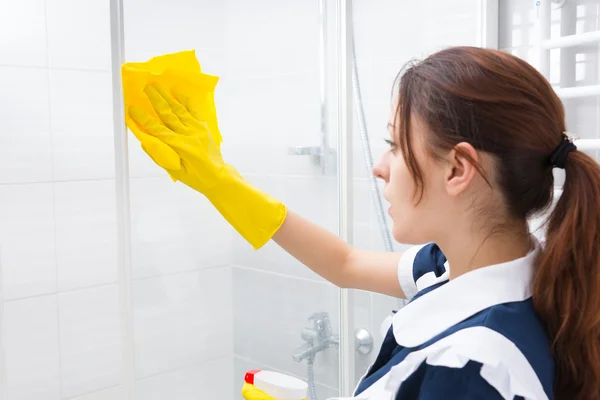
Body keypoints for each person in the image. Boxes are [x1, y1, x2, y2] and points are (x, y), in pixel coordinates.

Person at [124, 47, 600, 400]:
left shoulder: (470, 369)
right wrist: (221, 182)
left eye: (395, 145)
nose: (380, 166)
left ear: (458, 170)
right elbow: (345, 263)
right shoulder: (481, 266)